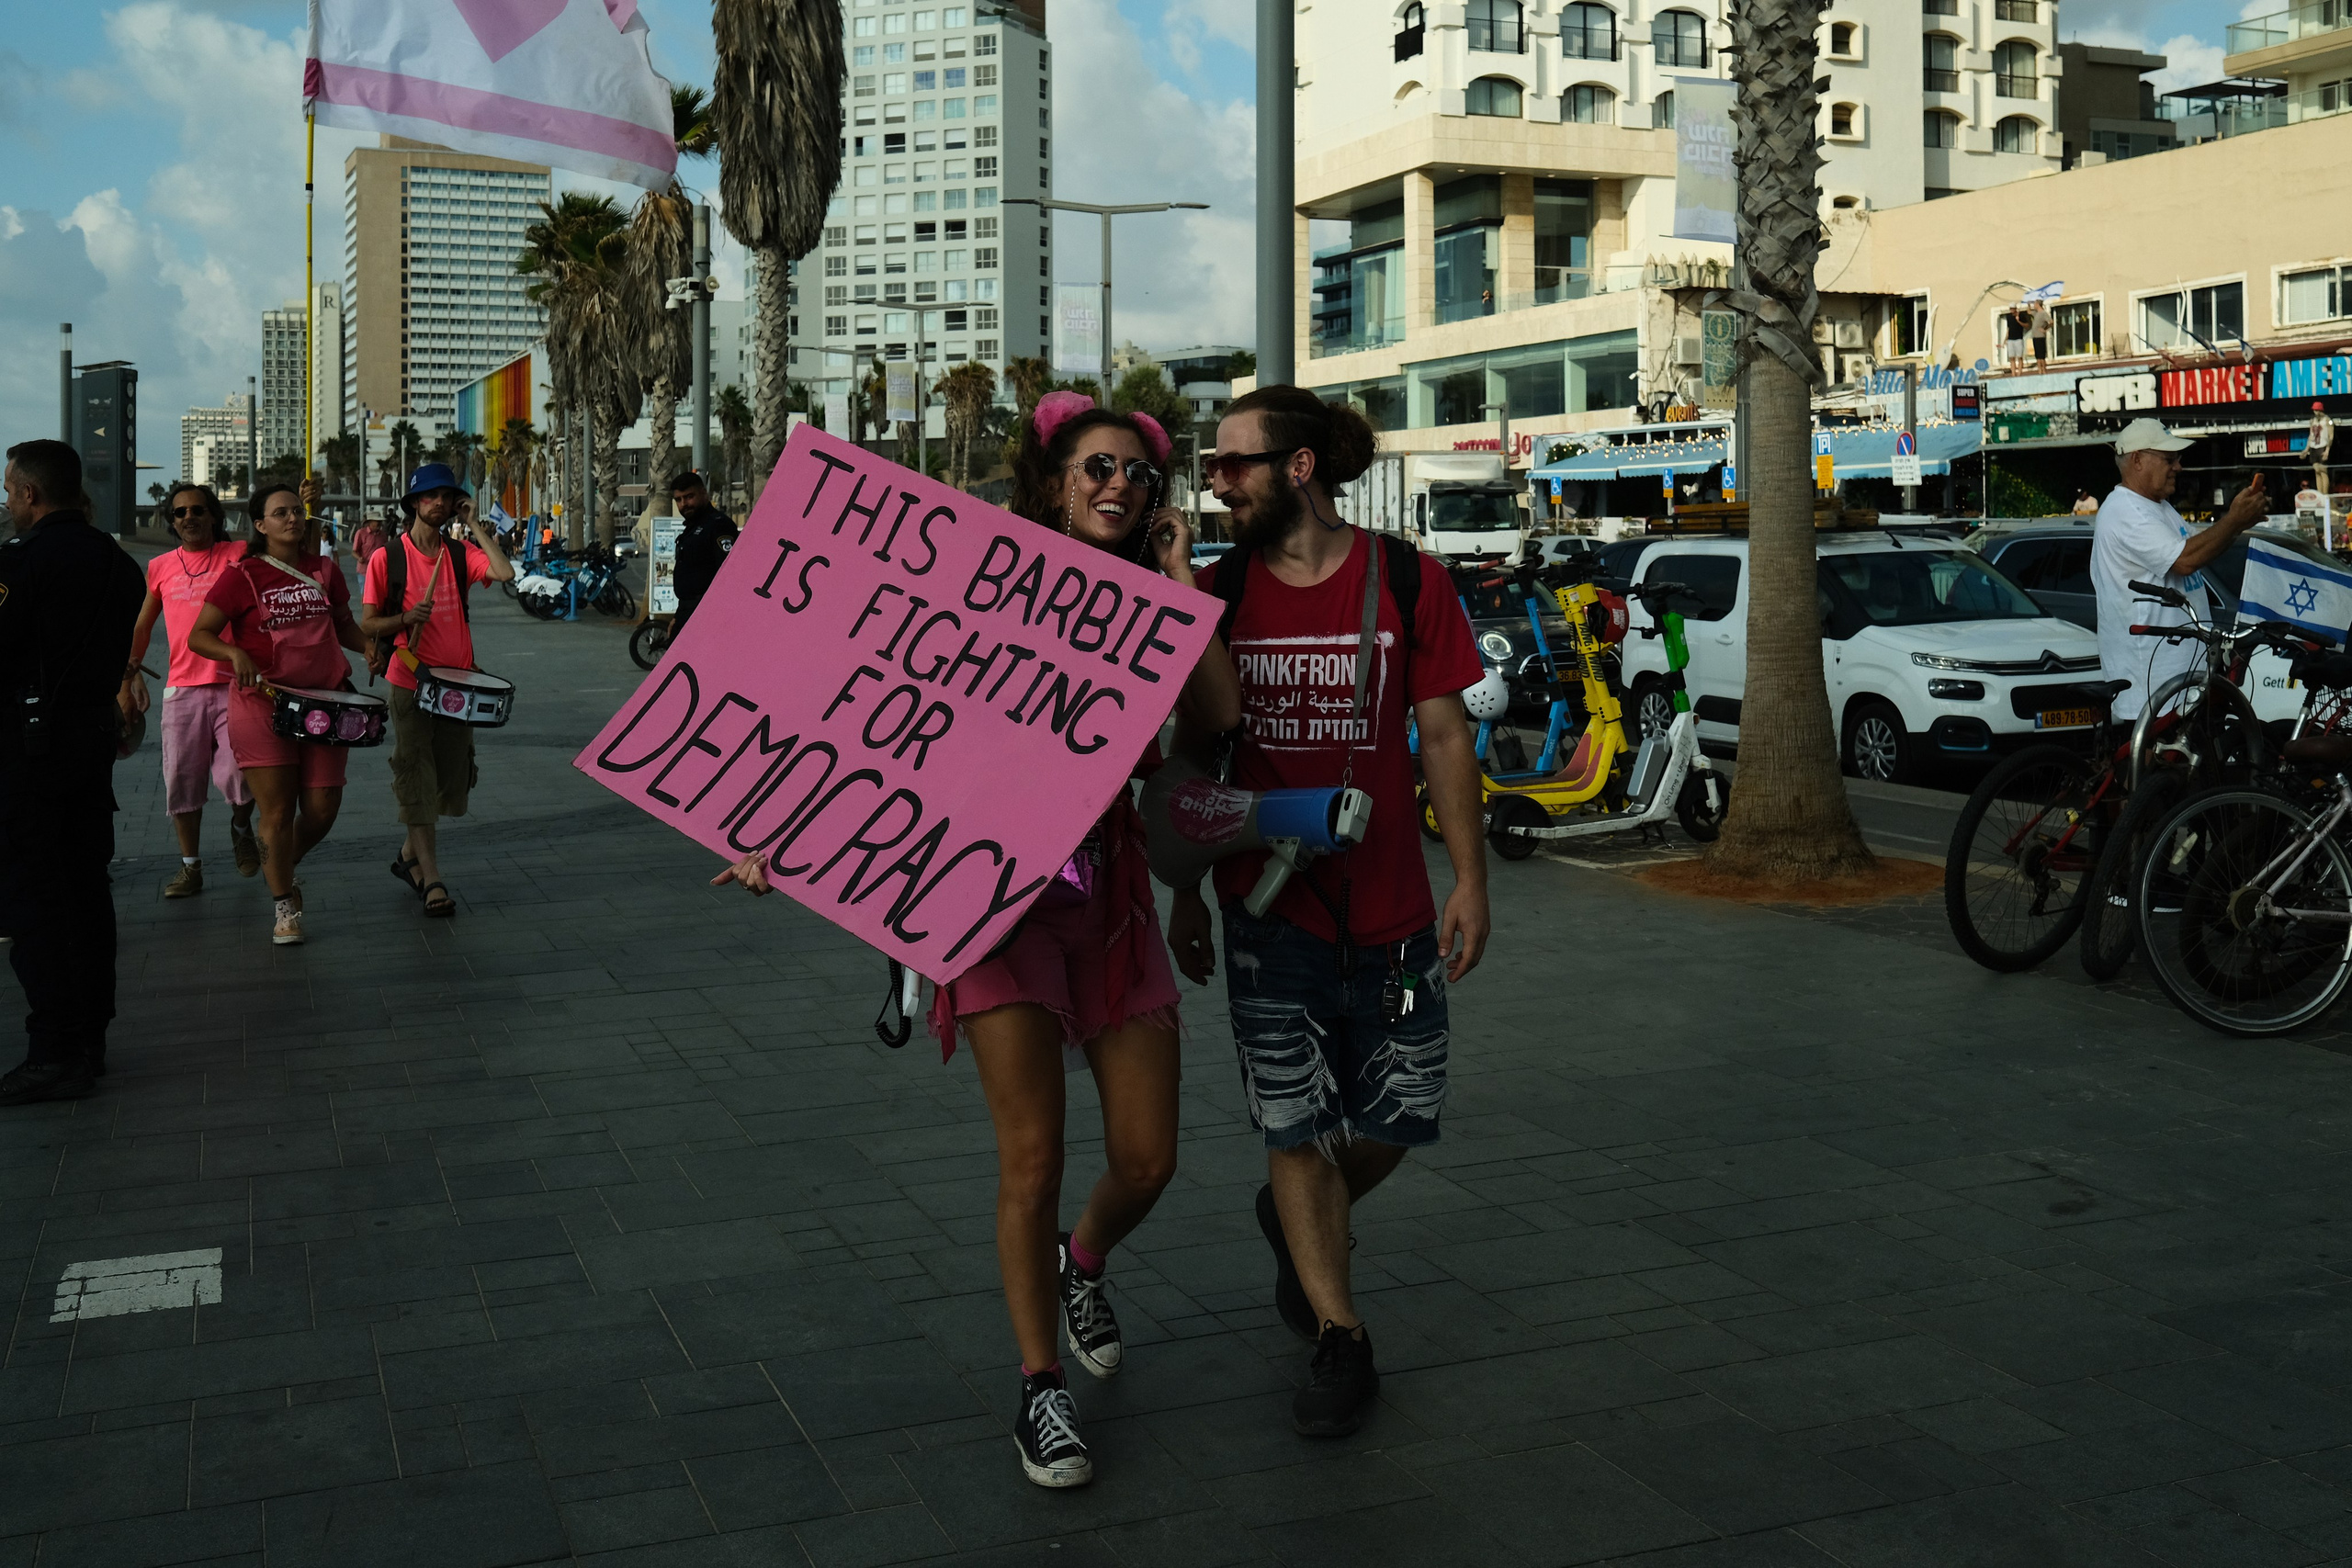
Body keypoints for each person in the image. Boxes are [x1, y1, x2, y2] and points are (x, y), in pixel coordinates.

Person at [714, 395, 1239, 1490]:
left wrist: (1182, 585)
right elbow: (861, 703)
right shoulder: (983, 586)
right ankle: (1039, 1387)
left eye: (1141, 475)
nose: (1120, 487)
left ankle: (1081, 1263)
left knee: (1148, 1157)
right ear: (1053, 482)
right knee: (1032, 1158)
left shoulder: (1150, 602)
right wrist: (770, 822)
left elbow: (1215, 723)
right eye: (1099, 467)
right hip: (989, 912)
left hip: (1111, 900)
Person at [1165, 386, 1489, 1438]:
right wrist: (1186, 898)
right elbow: (1191, 761)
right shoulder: (1213, 594)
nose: (1215, 484)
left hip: (1394, 917)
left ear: (1298, 468)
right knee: (1293, 1121)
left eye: (1233, 465)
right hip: (1268, 916)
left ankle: (1295, 1218)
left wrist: (1470, 882)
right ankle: (1338, 1333)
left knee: (1399, 1113)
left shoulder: (1406, 578)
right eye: (1212, 468)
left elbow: (1442, 738)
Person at [0, 440, 146, 1104]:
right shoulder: (120, 566)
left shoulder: (21, 564)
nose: (7, 500)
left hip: (29, 759)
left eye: (10, 489)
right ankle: (90, 1035)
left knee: (36, 903)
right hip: (90, 751)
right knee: (88, 894)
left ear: (31, 493)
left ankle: (53, 1049)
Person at [186, 483, 368, 946]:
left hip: (325, 704)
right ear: (261, 525)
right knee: (279, 809)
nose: (293, 518)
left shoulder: (325, 569)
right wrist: (233, 653)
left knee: (324, 807)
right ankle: (284, 906)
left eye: (298, 511)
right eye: (281, 512)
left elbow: (343, 623)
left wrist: (370, 647)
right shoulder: (242, 575)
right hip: (263, 703)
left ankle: (283, 860)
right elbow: (200, 635)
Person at [359, 464, 516, 919]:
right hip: (412, 680)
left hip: (459, 687)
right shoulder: (387, 559)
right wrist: (405, 620)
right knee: (415, 777)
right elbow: (368, 623)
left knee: (452, 783)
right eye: (430, 496)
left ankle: (409, 854)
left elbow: (504, 573)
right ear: (412, 503)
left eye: (447, 497)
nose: (439, 503)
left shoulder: (460, 552)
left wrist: (473, 524)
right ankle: (432, 879)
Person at [120, 483, 260, 897]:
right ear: (172, 521)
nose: (188, 518)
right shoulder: (161, 566)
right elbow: (142, 626)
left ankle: (240, 826)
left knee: (241, 772)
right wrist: (126, 681)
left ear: (214, 516)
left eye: (198, 510)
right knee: (181, 780)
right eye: (179, 512)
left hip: (235, 685)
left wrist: (307, 507)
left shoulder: (237, 555)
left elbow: (284, 547)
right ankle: (190, 867)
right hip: (183, 690)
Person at [2090, 418, 2268, 721]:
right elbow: (2185, 560)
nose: (2178, 467)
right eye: (2169, 459)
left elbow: (2199, 552)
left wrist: (2237, 525)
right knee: (2156, 765)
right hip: (2151, 674)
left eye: (2178, 459)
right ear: (2137, 460)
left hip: (2180, 673)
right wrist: (2234, 521)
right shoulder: (2125, 510)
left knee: (2191, 762)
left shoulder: (2158, 506)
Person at [668, 469, 737, 630]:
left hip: (706, 616)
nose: (684, 504)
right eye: (678, 499)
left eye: (689, 497)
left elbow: (728, 573)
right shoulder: (692, 528)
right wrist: (678, 617)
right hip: (687, 612)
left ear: (704, 493)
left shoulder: (718, 525)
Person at [2028, 299, 2052, 371]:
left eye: (2035, 304)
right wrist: (2029, 305)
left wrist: (2045, 329)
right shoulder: (2036, 313)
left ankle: (2044, 369)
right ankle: (2039, 370)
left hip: (2040, 336)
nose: (2034, 305)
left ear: (2038, 304)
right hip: (2035, 336)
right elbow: (2029, 312)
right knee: (2037, 356)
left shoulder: (2043, 313)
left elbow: (2051, 322)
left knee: (2042, 356)